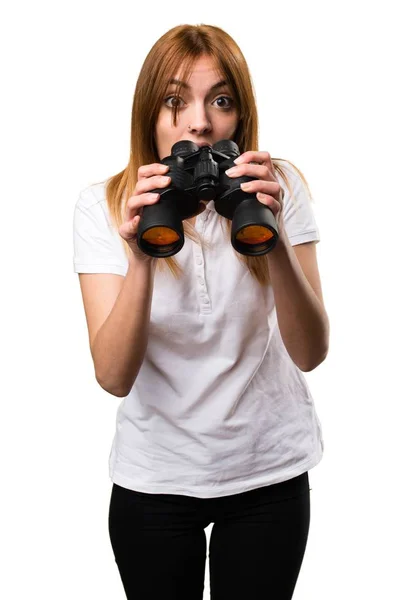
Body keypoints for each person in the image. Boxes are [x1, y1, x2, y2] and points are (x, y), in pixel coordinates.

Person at [73, 23, 330, 600]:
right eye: (175, 101)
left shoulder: (281, 185)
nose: (199, 123)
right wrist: (142, 252)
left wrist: (275, 230)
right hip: (155, 475)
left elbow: (311, 352)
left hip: (268, 469)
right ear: (150, 114)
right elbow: (113, 377)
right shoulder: (103, 204)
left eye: (221, 101)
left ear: (241, 115)